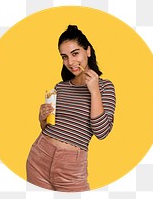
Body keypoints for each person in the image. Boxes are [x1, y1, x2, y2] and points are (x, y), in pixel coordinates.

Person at [26, 25, 116, 192]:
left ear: (88, 51)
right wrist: (42, 119)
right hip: (39, 155)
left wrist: (94, 91)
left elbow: (102, 132)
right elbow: (50, 127)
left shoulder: (105, 87)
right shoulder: (60, 87)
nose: (70, 62)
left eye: (75, 54)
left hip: (71, 165)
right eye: (64, 57)